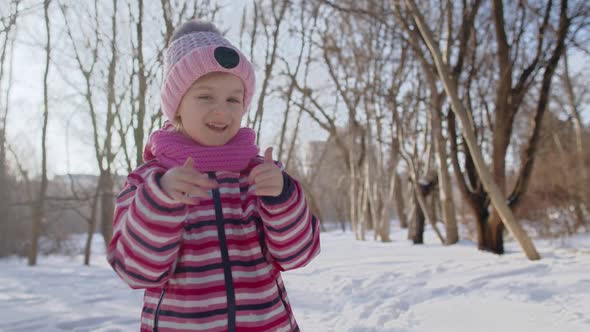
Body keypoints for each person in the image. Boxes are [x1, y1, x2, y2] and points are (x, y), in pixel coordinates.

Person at [106, 20, 321, 332]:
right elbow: (135, 271)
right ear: (176, 106)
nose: (223, 111)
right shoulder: (149, 180)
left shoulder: (258, 174)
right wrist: (161, 202)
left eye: (233, 99)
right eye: (206, 97)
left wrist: (283, 197)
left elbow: (299, 253)